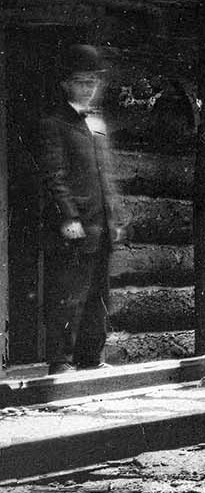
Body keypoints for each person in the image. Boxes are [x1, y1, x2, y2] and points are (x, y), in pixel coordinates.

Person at [37, 44, 127, 374]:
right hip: (75, 226)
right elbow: (54, 175)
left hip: (101, 226)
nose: (89, 88)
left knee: (98, 295)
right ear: (66, 85)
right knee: (68, 294)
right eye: (82, 82)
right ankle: (60, 361)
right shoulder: (54, 124)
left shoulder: (98, 124)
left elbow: (107, 174)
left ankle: (91, 358)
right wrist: (68, 216)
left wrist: (114, 216)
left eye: (94, 82)